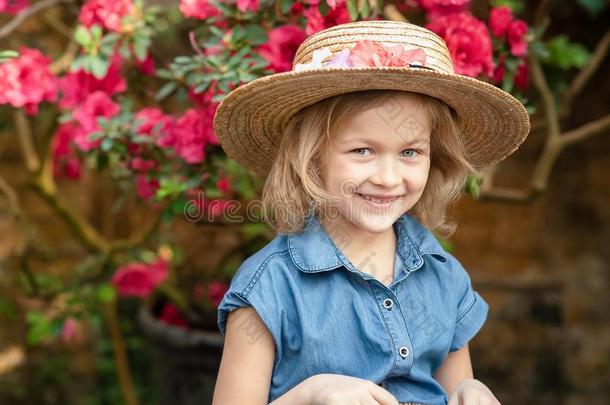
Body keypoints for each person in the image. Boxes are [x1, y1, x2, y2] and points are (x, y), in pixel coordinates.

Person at [211, 20, 530, 405]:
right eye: (363, 151)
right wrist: (310, 394)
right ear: (310, 159)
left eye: (410, 152)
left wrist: (468, 391)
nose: (388, 177)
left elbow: (451, 384)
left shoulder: (442, 275)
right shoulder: (269, 289)